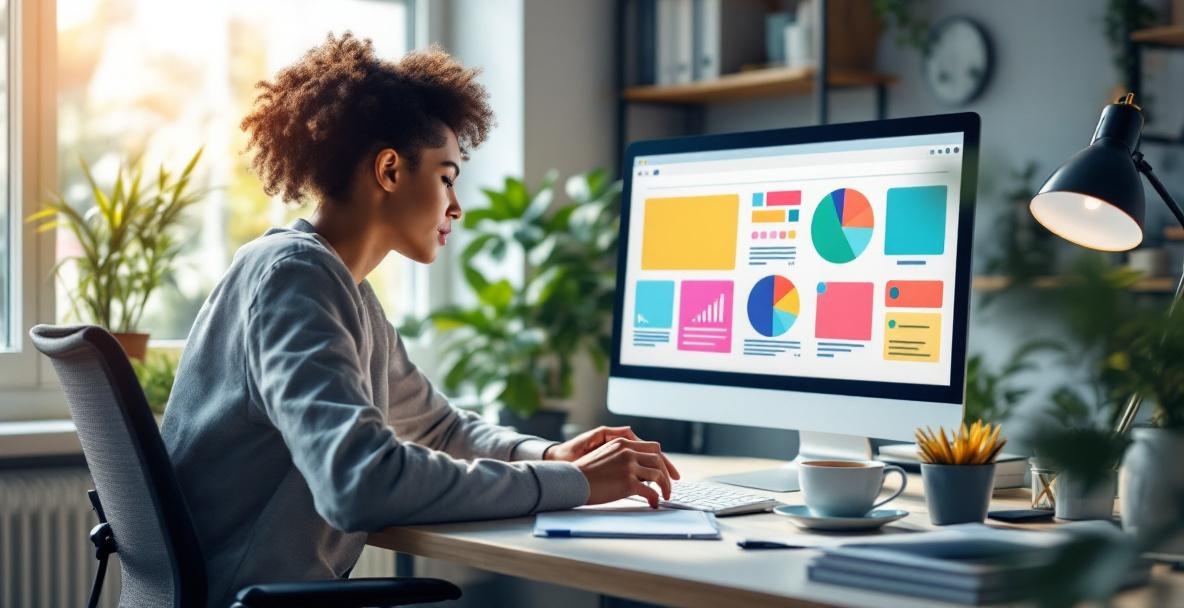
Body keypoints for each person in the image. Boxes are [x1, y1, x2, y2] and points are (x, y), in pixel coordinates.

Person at [161, 33, 678, 607]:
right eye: (447, 177)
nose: (457, 206)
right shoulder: (295, 279)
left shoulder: (337, 286)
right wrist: (575, 486)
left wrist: (551, 456)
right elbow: (358, 483)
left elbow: (437, 429)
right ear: (388, 169)